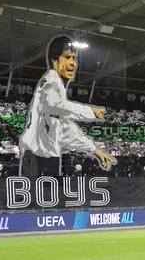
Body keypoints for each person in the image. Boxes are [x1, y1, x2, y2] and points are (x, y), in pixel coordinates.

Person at [18, 36, 116, 178]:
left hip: (43, 156)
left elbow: (65, 128)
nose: (73, 63)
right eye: (67, 57)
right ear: (55, 60)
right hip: (38, 157)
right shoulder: (51, 81)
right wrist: (90, 112)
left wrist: (95, 150)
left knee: (46, 198)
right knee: (42, 198)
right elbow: (57, 106)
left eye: (74, 58)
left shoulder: (57, 84)